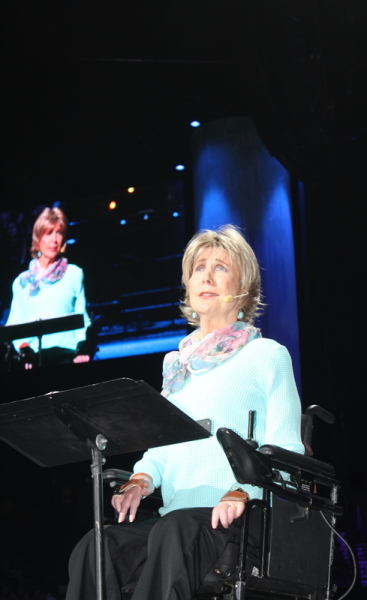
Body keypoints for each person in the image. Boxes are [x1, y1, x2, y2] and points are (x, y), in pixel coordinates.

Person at [66, 224, 304, 600]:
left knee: (173, 530)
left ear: (244, 289)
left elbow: (287, 447)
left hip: (240, 519)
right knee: (96, 547)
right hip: (176, 524)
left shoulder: (267, 355)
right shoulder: (177, 365)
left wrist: (244, 490)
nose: (206, 276)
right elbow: (163, 448)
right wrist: (141, 479)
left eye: (221, 268)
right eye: (198, 268)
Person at [5, 207, 92, 367]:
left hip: (69, 357)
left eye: (59, 233)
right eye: (48, 233)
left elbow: (83, 317)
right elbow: (14, 323)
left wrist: (82, 347)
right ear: (38, 239)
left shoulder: (74, 274)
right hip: (34, 360)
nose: (54, 240)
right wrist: (24, 347)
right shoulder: (22, 282)